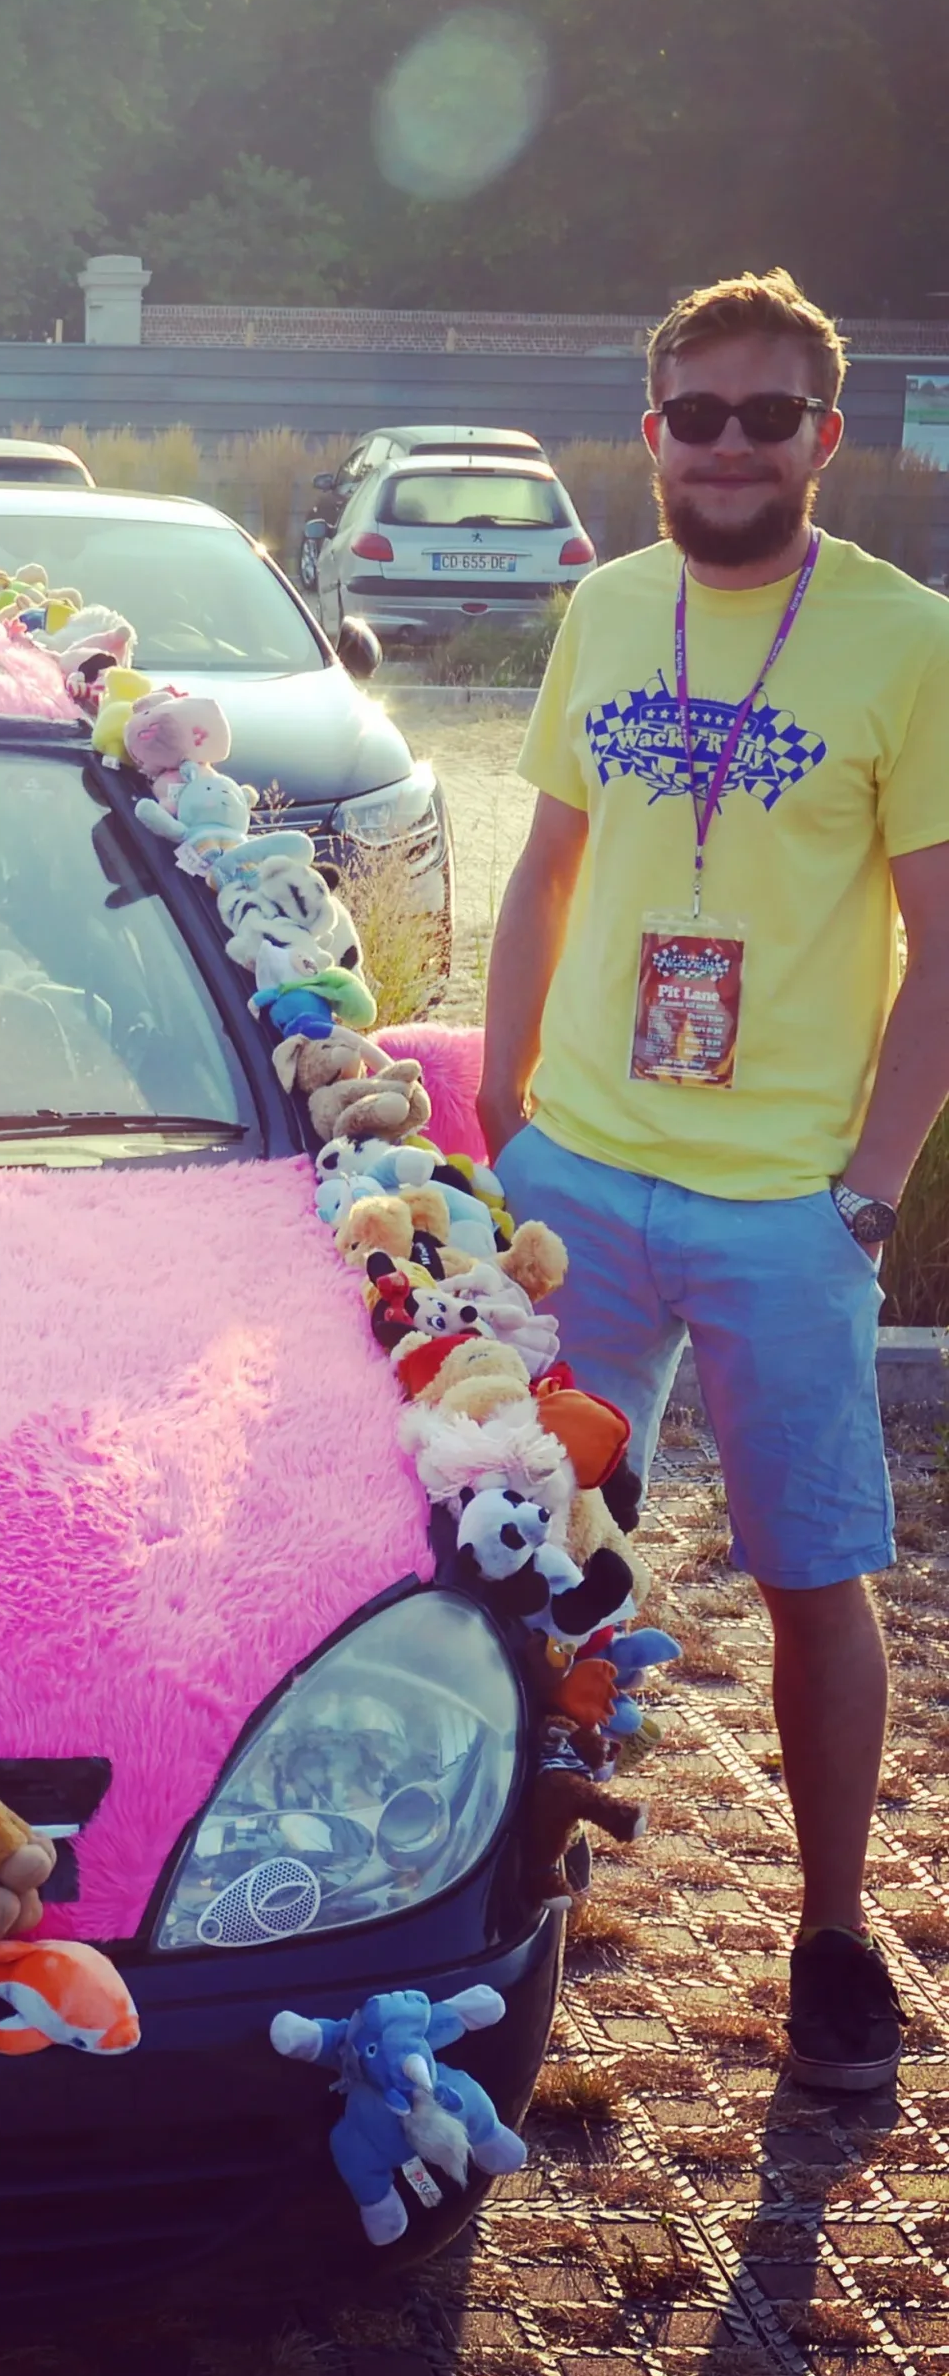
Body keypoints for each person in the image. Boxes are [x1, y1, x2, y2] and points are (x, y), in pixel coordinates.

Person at [479, 270, 949, 2092]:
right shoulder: (607, 606)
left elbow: (940, 940)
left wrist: (867, 1191)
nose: (730, 446)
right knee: (527, 1549)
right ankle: (497, 1878)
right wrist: (507, 1114)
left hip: (782, 1210)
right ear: (652, 429)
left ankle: (831, 1934)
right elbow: (545, 869)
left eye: (768, 416)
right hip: (581, 1178)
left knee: (811, 1573)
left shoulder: (908, 638)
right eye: (699, 414)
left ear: (826, 437)